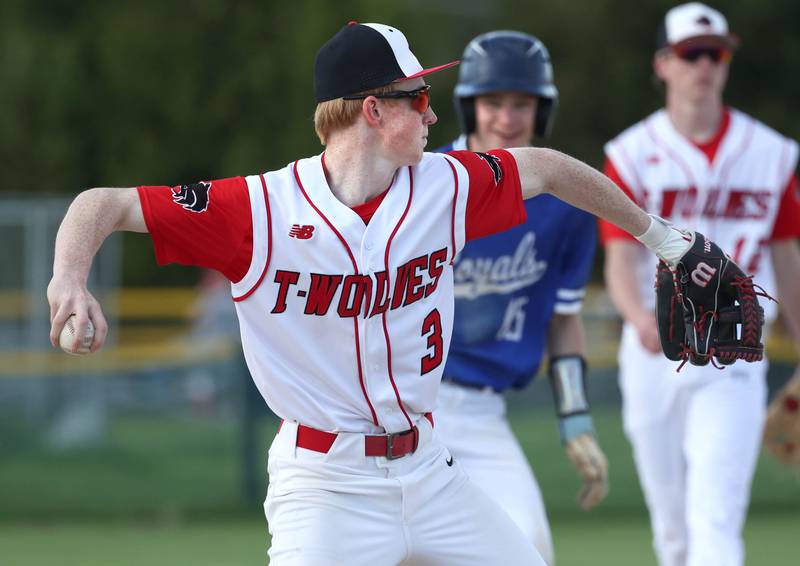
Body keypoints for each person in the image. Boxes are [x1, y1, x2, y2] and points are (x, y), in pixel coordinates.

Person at [48, 21, 705, 566]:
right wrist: (68, 279)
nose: (433, 112)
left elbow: (551, 170)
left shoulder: (444, 186)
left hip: (431, 470)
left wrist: (667, 243)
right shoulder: (258, 209)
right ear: (373, 109)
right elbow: (101, 203)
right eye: (418, 98)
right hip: (326, 483)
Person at [600, 4, 800, 566]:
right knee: (673, 532)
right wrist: (639, 322)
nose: (705, 65)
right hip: (653, 350)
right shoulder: (630, 154)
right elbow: (618, 258)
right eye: (692, 54)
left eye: (716, 54)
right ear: (664, 64)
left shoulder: (772, 154)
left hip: (735, 349)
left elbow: (787, 260)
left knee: (713, 517)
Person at [434, 31, 607, 565]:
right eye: (493, 102)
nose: (506, 118)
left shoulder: (565, 201)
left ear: (541, 109)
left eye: (521, 103)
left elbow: (563, 318)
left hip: (485, 412)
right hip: (409, 408)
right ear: (469, 108)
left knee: (529, 549)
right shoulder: (424, 182)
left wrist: (575, 415)